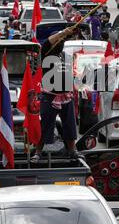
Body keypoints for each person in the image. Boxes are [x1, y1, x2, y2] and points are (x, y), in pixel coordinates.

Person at [31, 28, 82, 163]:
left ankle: (72, 150)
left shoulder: (64, 56)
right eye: (58, 40)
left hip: (65, 96)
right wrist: (64, 32)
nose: (61, 42)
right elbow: (48, 42)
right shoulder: (46, 53)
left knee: (70, 125)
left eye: (62, 41)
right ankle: (38, 152)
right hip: (49, 96)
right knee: (45, 125)